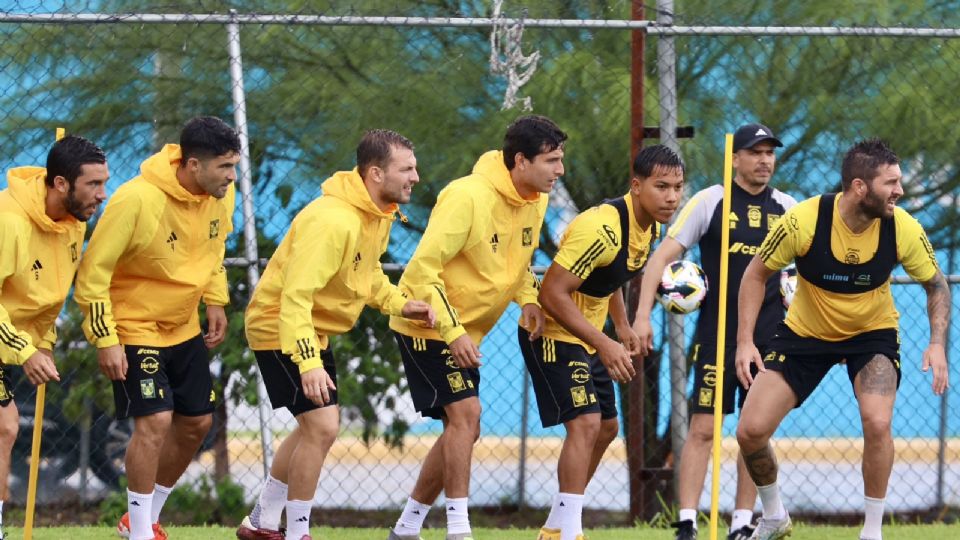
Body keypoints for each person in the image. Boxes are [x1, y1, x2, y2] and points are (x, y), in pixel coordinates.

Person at [734, 138, 949, 540]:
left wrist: (936, 343)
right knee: (750, 431)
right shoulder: (803, 221)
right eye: (891, 183)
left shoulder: (902, 226)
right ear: (859, 187)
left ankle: (871, 531)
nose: (899, 191)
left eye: (899, 181)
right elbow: (754, 274)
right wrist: (745, 341)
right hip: (804, 333)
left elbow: (936, 285)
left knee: (877, 421)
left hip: (872, 335)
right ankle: (775, 516)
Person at [235, 129, 436, 540]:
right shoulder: (333, 220)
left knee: (314, 427)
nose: (416, 176)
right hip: (280, 325)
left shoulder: (375, 214)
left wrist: (400, 304)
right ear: (376, 174)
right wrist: (308, 363)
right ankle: (298, 533)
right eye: (407, 168)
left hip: (310, 327)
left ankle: (262, 522)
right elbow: (295, 297)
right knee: (324, 427)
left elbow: (368, 273)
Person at [386, 115, 567, 540]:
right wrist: (453, 333)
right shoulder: (466, 197)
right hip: (426, 322)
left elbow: (520, 260)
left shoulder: (536, 198)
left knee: (463, 426)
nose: (560, 170)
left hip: (467, 331)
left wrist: (528, 299)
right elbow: (421, 271)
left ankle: (407, 527)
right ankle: (459, 530)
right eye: (552, 160)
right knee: (467, 416)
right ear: (520, 161)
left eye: (561, 160)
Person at [75, 116, 241, 540]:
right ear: (192, 165)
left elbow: (215, 247)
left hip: (183, 327)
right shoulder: (136, 200)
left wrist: (215, 299)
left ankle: (143, 518)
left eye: (234, 166)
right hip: (134, 326)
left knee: (197, 424)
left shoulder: (221, 195)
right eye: (224, 167)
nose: (232, 176)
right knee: (154, 422)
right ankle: (141, 533)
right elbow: (93, 273)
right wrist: (105, 338)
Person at [633, 123, 797, 540]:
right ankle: (687, 520)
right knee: (703, 428)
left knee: (752, 432)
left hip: (769, 339)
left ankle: (743, 522)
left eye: (769, 153)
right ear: (735, 159)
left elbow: (799, 276)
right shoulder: (712, 200)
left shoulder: (787, 208)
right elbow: (660, 259)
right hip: (717, 335)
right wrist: (642, 315)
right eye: (754, 152)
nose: (764, 160)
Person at [526, 145, 684, 540]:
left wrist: (623, 325)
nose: (671, 197)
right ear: (636, 185)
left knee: (607, 427)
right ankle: (569, 531)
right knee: (586, 423)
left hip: (590, 337)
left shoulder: (650, 226)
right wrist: (606, 342)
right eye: (661, 186)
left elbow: (607, 276)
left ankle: (556, 524)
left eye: (678, 187)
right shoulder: (603, 227)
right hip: (555, 332)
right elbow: (552, 294)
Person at [0, 136, 108, 537]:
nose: (102, 194)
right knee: (6, 426)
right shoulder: (9, 221)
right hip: (6, 337)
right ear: (61, 184)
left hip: (8, 337)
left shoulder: (73, 225)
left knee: (4, 428)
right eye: (93, 184)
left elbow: (48, 298)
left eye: (104, 182)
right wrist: (25, 351)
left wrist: (41, 344)